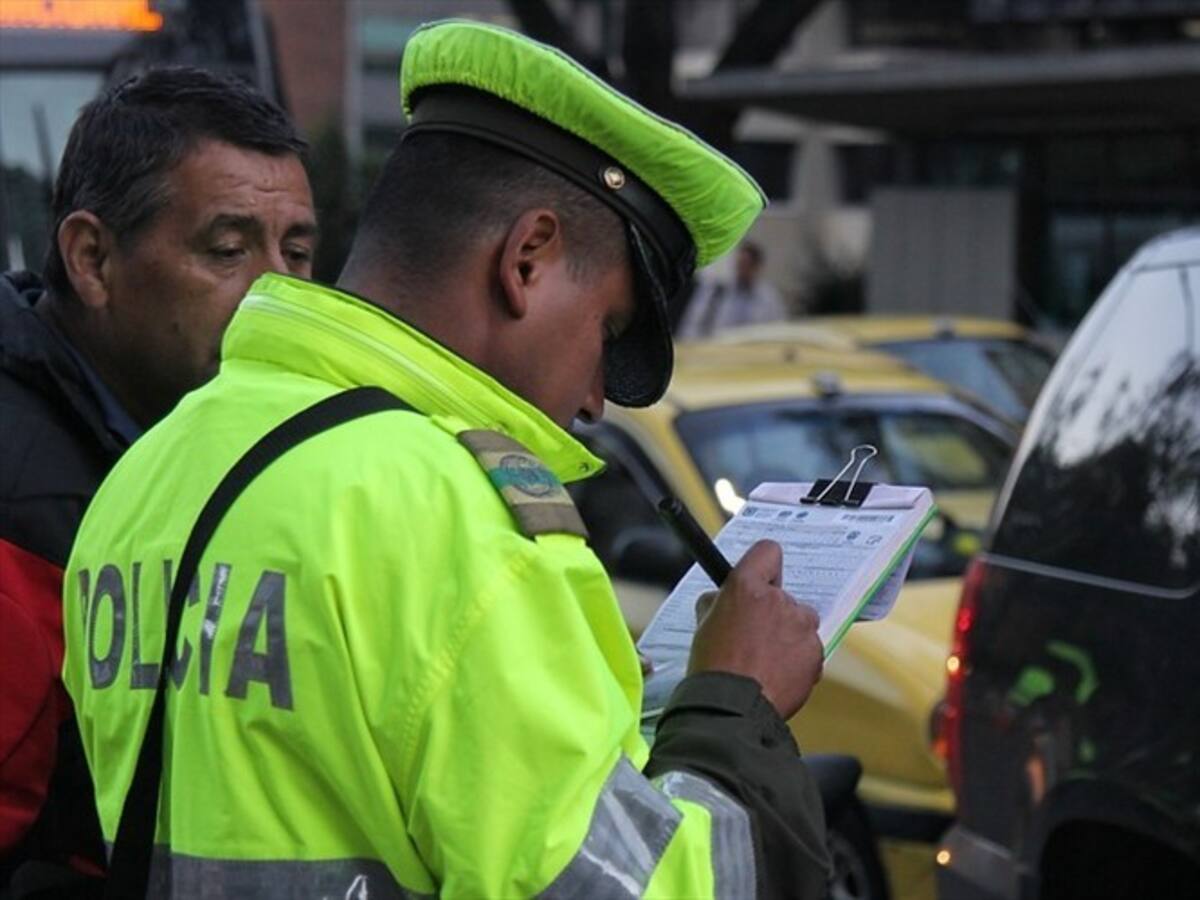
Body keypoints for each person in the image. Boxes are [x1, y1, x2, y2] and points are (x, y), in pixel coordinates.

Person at [62, 21, 830, 899]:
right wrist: (736, 699)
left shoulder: (150, 468)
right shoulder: (464, 521)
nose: (594, 399)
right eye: (607, 330)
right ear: (527, 258)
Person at [0, 67, 315, 890]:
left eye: (298, 253)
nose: (279, 295)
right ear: (92, 259)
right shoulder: (26, 504)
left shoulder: (187, 442)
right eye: (229, 251)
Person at [678, 240, 787, 337]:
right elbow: (692, 324)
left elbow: (778, 330)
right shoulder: (718, 291)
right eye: (739, 264)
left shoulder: (769, 299)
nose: (741, 270)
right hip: (717, 348)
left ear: (757, 267)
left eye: (746, 265)